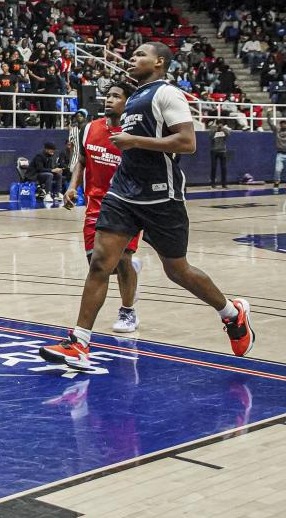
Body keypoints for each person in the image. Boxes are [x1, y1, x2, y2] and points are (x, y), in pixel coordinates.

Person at [40, 42, 254, 370]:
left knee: (177, 270)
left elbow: (188, 143)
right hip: (123, 193)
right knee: (100, 263)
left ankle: (230, 312)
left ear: (159, 62)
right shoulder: (134, 99)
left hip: (161, 195)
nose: (132, 58)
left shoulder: (168, 94)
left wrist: (135, 141)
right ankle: (79, 343)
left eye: (140, 54)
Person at [63, 81, 142, 334]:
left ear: (128, 102)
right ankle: (129, 271)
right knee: (97, 265)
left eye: (116, 96)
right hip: (95, 205)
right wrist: (72, 187)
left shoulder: (134, 134)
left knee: (122, 260)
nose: (108, 100)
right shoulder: (90, 128)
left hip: (125, 205)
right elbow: (82, 161)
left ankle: (128, 312)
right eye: (107, 96)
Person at [209, 120, 231, 188]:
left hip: (222, 151)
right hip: (214, 151)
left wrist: (223, 129)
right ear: (217, 124)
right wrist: (216, 129)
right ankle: (213, 184)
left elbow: (228, 135)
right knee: (213, 167)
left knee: (224, 168)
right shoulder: (213, 129)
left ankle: (224, 184)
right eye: (219, 124)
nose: (220, 126)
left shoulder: (224, 130)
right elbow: (210, 136)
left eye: (221, 124)